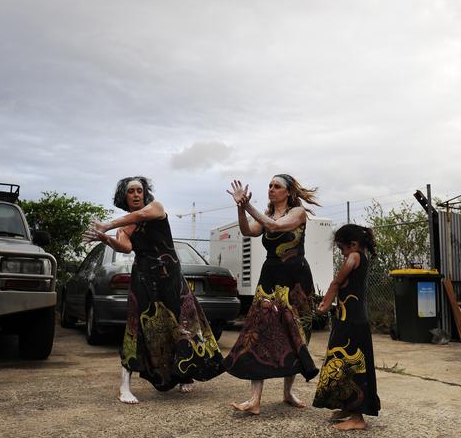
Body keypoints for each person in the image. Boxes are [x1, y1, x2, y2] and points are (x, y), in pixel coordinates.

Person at [83, 176, 224, 404]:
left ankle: (184, 373)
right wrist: (105, 238)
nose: (137, 194)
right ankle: (124, 386)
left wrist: (107, 225)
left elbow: (141, 216)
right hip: (144, 279)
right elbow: (126, 247)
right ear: (124, 196)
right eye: (131, 191)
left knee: (182, 323)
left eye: (140, 190)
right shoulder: (125, 226)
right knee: (136, 326)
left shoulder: (155, 208)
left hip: (171, 277)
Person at [223, 174, 320, 415]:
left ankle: (288, 392)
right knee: (258, 332)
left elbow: (275, 226)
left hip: (296, 279)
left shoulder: (297, 213)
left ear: (288, 192)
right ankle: (254, 400)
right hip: (270, 277)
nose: (271, 189)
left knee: (295, 334)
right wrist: (240, 208)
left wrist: (248, 205)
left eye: (277, 186)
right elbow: (247, 230)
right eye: (269, 185)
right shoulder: (266, 216)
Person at [312, 224, 381, 431]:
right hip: (348, 319)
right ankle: (347, 407)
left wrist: (324, 304)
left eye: (342, 248)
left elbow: (336, 282)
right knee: (339, 363)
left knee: (353, 368)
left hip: (352, 323)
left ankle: (358, 418)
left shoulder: (354, 257)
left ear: (353, 244)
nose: (342, 253)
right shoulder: (359, 257)